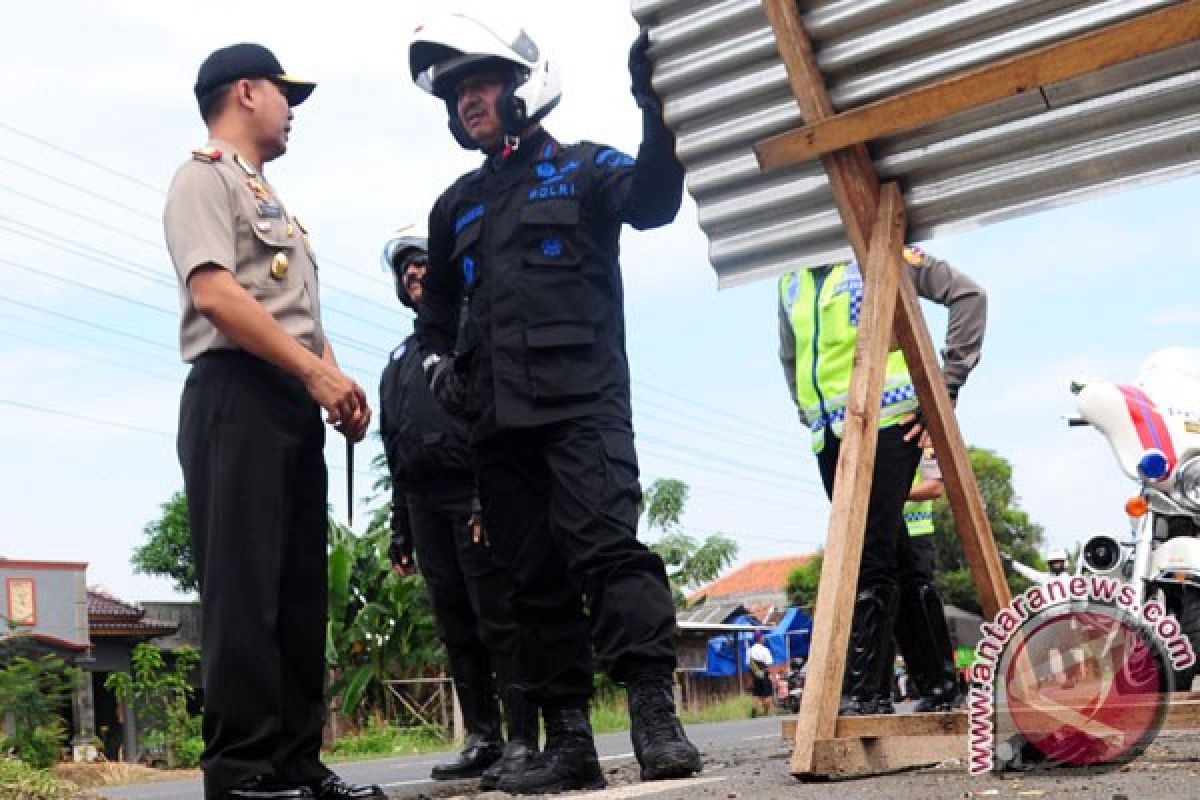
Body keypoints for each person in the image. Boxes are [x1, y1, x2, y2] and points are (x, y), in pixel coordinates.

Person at [407, 14, 702, 794]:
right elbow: (434, 314)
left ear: (521, 88)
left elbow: (653, 201)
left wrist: (655, 103)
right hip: (498, 430)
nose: (469, 101)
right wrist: (439, 369)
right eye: (459, 92)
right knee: (530, 583)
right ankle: (569, 743)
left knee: (610, 556)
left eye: (481, 84)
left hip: (584, 411)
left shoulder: (582, 168)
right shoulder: (455, 207)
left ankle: (654, 720)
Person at [164, 44, 378, 800]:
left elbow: (292, 310)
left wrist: (333, 379)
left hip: (288, 396)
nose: (293, 112)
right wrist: (313, 369)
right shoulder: (202, 177)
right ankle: (242, 772)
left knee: (296, 591)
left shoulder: (273, 199)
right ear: (247, 93)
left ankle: (296, 765)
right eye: (286, 96)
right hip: (235, 394)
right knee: (245, 589)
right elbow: (217, 296)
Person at [778, 245, 986, 716]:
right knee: (896, 554)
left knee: (866, 554)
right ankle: (938, 685)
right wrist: (808, 412)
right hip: (830, 432)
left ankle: (866, 694)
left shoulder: (879, 253)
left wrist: (944, 387)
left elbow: (969, 295)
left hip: (890, 420)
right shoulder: (787, 275)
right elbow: (789, 356)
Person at [378, 229, 537, 788]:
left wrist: (481, 499)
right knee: (455, 624)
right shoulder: (399, 360)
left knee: (497, 617)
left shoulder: (469, 333)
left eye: (421, 265)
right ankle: (482, 737)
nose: (413, 276)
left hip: (474, 497)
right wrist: (401, 532)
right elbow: (395, 448)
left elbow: (488, 420)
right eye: (405, 272)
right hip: (424, 506)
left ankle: (523, 738)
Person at [892, 446, 963, 712]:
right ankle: (926, 688)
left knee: (924, 606)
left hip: (917, 536)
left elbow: (934, 488)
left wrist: (890, 492)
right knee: (897, 612)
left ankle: (946, 684)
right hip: (888, 536)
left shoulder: (922, 441)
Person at [746, 631, 774, 718]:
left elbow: (749, 665)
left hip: (754, 675)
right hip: (764, 675)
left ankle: (755, 708)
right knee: (767, 695)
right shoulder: (765, 650)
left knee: (756, 694)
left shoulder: (749, 651)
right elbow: (769, 665)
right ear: (760, 638)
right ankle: (766, 713)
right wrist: (772, 677)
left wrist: (750, 679)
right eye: (763, 637)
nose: (764, 638)